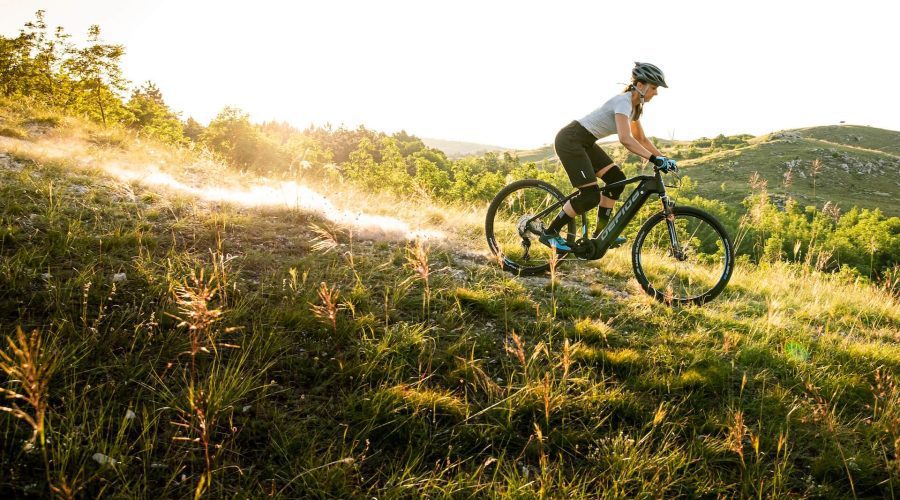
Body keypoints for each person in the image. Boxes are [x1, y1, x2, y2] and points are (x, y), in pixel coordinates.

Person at [539, 62, 678, 252]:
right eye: (654, 87)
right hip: (571, 139)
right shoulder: (623, 102)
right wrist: (654, 160)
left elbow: (642, 139)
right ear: (641, 85)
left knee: (617, 180)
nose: (656, 92)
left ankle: (601, 235)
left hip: (585, 142)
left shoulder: (635, 108)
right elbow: (626, 139)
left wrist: (665, 158)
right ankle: (550, 232)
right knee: (590, 196)